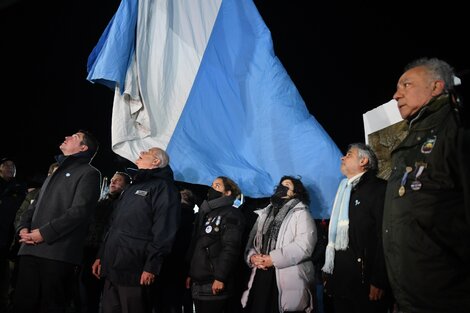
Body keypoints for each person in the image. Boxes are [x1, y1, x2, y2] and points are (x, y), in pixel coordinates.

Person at [382, 57, 470, 312]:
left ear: (437, 87)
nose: (396, 95)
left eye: (406, 85)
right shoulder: (408, 143)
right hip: (410, 300)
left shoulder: (458, 128)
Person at [12, 130, 101, 313]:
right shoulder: (56, 171)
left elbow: (80, 211)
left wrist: (44, 233)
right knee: (22, 304)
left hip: (57, 253)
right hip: (29, 248)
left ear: (83, 148)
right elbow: (33, 205)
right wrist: (23, 228)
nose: (67, 137)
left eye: (74, 137)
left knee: (51, 306)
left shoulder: (89, 173)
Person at [92, 147, 181, 313]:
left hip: (135, 270)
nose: (140, 154)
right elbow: (113, 225)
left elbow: (164, 230)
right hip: (112, 267)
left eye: (146, 153)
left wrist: (152, 266)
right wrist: (101, 256)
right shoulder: (132, 187)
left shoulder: (164, 188)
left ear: (156, 162)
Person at [321, 143, 392, 313]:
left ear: (364, 160)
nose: (342, 157)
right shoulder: (343, 191)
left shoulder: (379, 189)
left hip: (365, 286)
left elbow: (386, 236)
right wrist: (329, 275)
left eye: (349, 154)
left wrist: (379, 279)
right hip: (341, 284)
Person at [241, 176, 317, 313]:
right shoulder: (264, 213)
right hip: (261, 273)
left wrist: (272, 259)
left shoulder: (301, 213)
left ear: (295, 192)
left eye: (287, 185)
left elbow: (304, 246)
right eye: (281, 185)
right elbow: (252, 242)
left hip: (285, 275)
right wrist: (252, 257)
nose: (283, 187)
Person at [185, 176, 246, 313]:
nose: (212, 189)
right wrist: (191, 273)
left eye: (217, 186)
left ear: (228, 192)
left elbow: (231, 248)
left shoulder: (231, 214)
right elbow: (198, 247)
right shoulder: (207, 213)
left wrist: (220, 277)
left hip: (214, 284)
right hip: (198, 283)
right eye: (212, 185)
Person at [79, 171, 131, 313]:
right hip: (89, 249)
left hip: (108, 253)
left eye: (118, 180)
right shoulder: (102, 202)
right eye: (112, 180)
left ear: (127, 186)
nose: (113, 182)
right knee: (87, 290)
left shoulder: (124, 205)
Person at [0, 157, 27, 312]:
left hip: (11, 236)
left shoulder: (19, 186)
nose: (10, 168)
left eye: (13, 166)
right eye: (7, 165)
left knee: (7, 272)